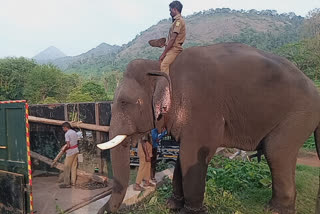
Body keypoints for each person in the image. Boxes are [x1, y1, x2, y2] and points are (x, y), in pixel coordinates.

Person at [159, 1, 186, 74]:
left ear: (174, 9)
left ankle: (166, 85)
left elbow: (173, 39)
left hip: (175, 48)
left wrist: (163, 53)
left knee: (164, 65)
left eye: (170, 10)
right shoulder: (175, 21)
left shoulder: (178, 21)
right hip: (172, 48)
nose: (170, 12)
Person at [59, 122, 79, 188]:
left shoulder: (67, 134)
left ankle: (66, 183)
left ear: (65, 127)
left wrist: (64, 150)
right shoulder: (74, 132)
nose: (63, 130)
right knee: (74, 167)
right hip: (76, 150)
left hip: (70, 152)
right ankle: (73, 182)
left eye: (63, 128)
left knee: (67, 167)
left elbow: (68, 145)